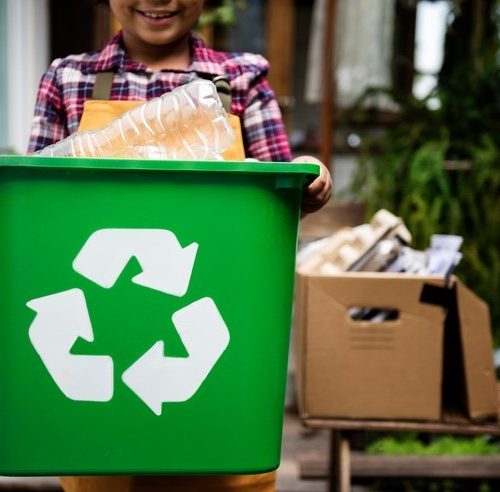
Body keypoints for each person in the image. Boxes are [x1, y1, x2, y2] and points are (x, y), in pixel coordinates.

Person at [28, 1, 332, 490]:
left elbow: (282, 193)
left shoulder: (242, 80)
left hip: (218, 340)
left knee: (224, 465)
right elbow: (40, 212)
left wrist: (310, 174)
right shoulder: (69, 79)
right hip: (102, 354)